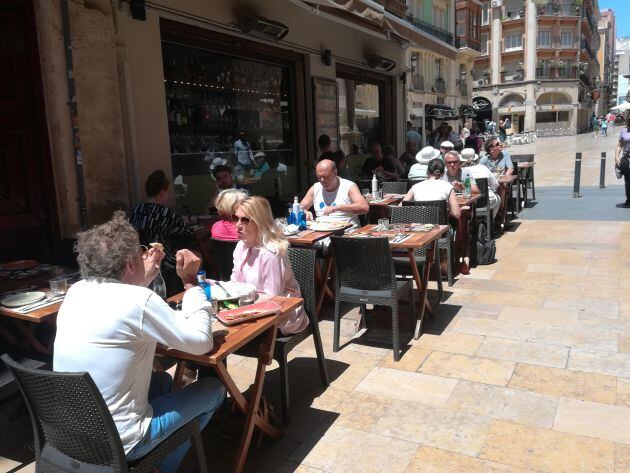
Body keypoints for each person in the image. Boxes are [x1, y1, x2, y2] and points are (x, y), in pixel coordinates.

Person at [54, 212, 225, 473]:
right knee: (213, 389)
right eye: (139, 252)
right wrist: (190, 283)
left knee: (165, 383)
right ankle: (159, 468)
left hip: (71, 436)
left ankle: (157, 456)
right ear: (129, 264)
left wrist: (144, 276)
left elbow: (121, 298)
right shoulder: (138, 301)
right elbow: (201, 342)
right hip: (120, 441)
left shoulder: (76, 292)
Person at [230, 196, 308, 335]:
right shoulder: (241, 246)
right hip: (250, 309)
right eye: (236, 219)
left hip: (282, 316)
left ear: (260, 222)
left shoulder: (270, 252)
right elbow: (234, 284)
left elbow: (272, 298)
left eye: (245, 220)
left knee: (228, 336)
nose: (237, 225)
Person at [130, 170, 193, 294]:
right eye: (167, 190)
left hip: (140, 257)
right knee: (190, 256)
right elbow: (187, 231)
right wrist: (186, 221)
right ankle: (186, 291)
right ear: (163, 191)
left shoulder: (137, 209)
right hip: (162, 259)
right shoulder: (164, 213)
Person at [300, 159, 369, 230]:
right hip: (320, 235)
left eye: (325, 176)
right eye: (319, 177)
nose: (322, 180)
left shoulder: (349, 187)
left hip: (346, 235)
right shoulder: (315, 188)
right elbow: (299, 208)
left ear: (335, 173)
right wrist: (305, 212)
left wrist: (337, 207)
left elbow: (364, 207)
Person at [614, 115, 630, 208]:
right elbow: (620, 145)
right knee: (628, 181)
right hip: (627, 160)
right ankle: (629, 200)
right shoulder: (624, 131)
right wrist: (616, 156)